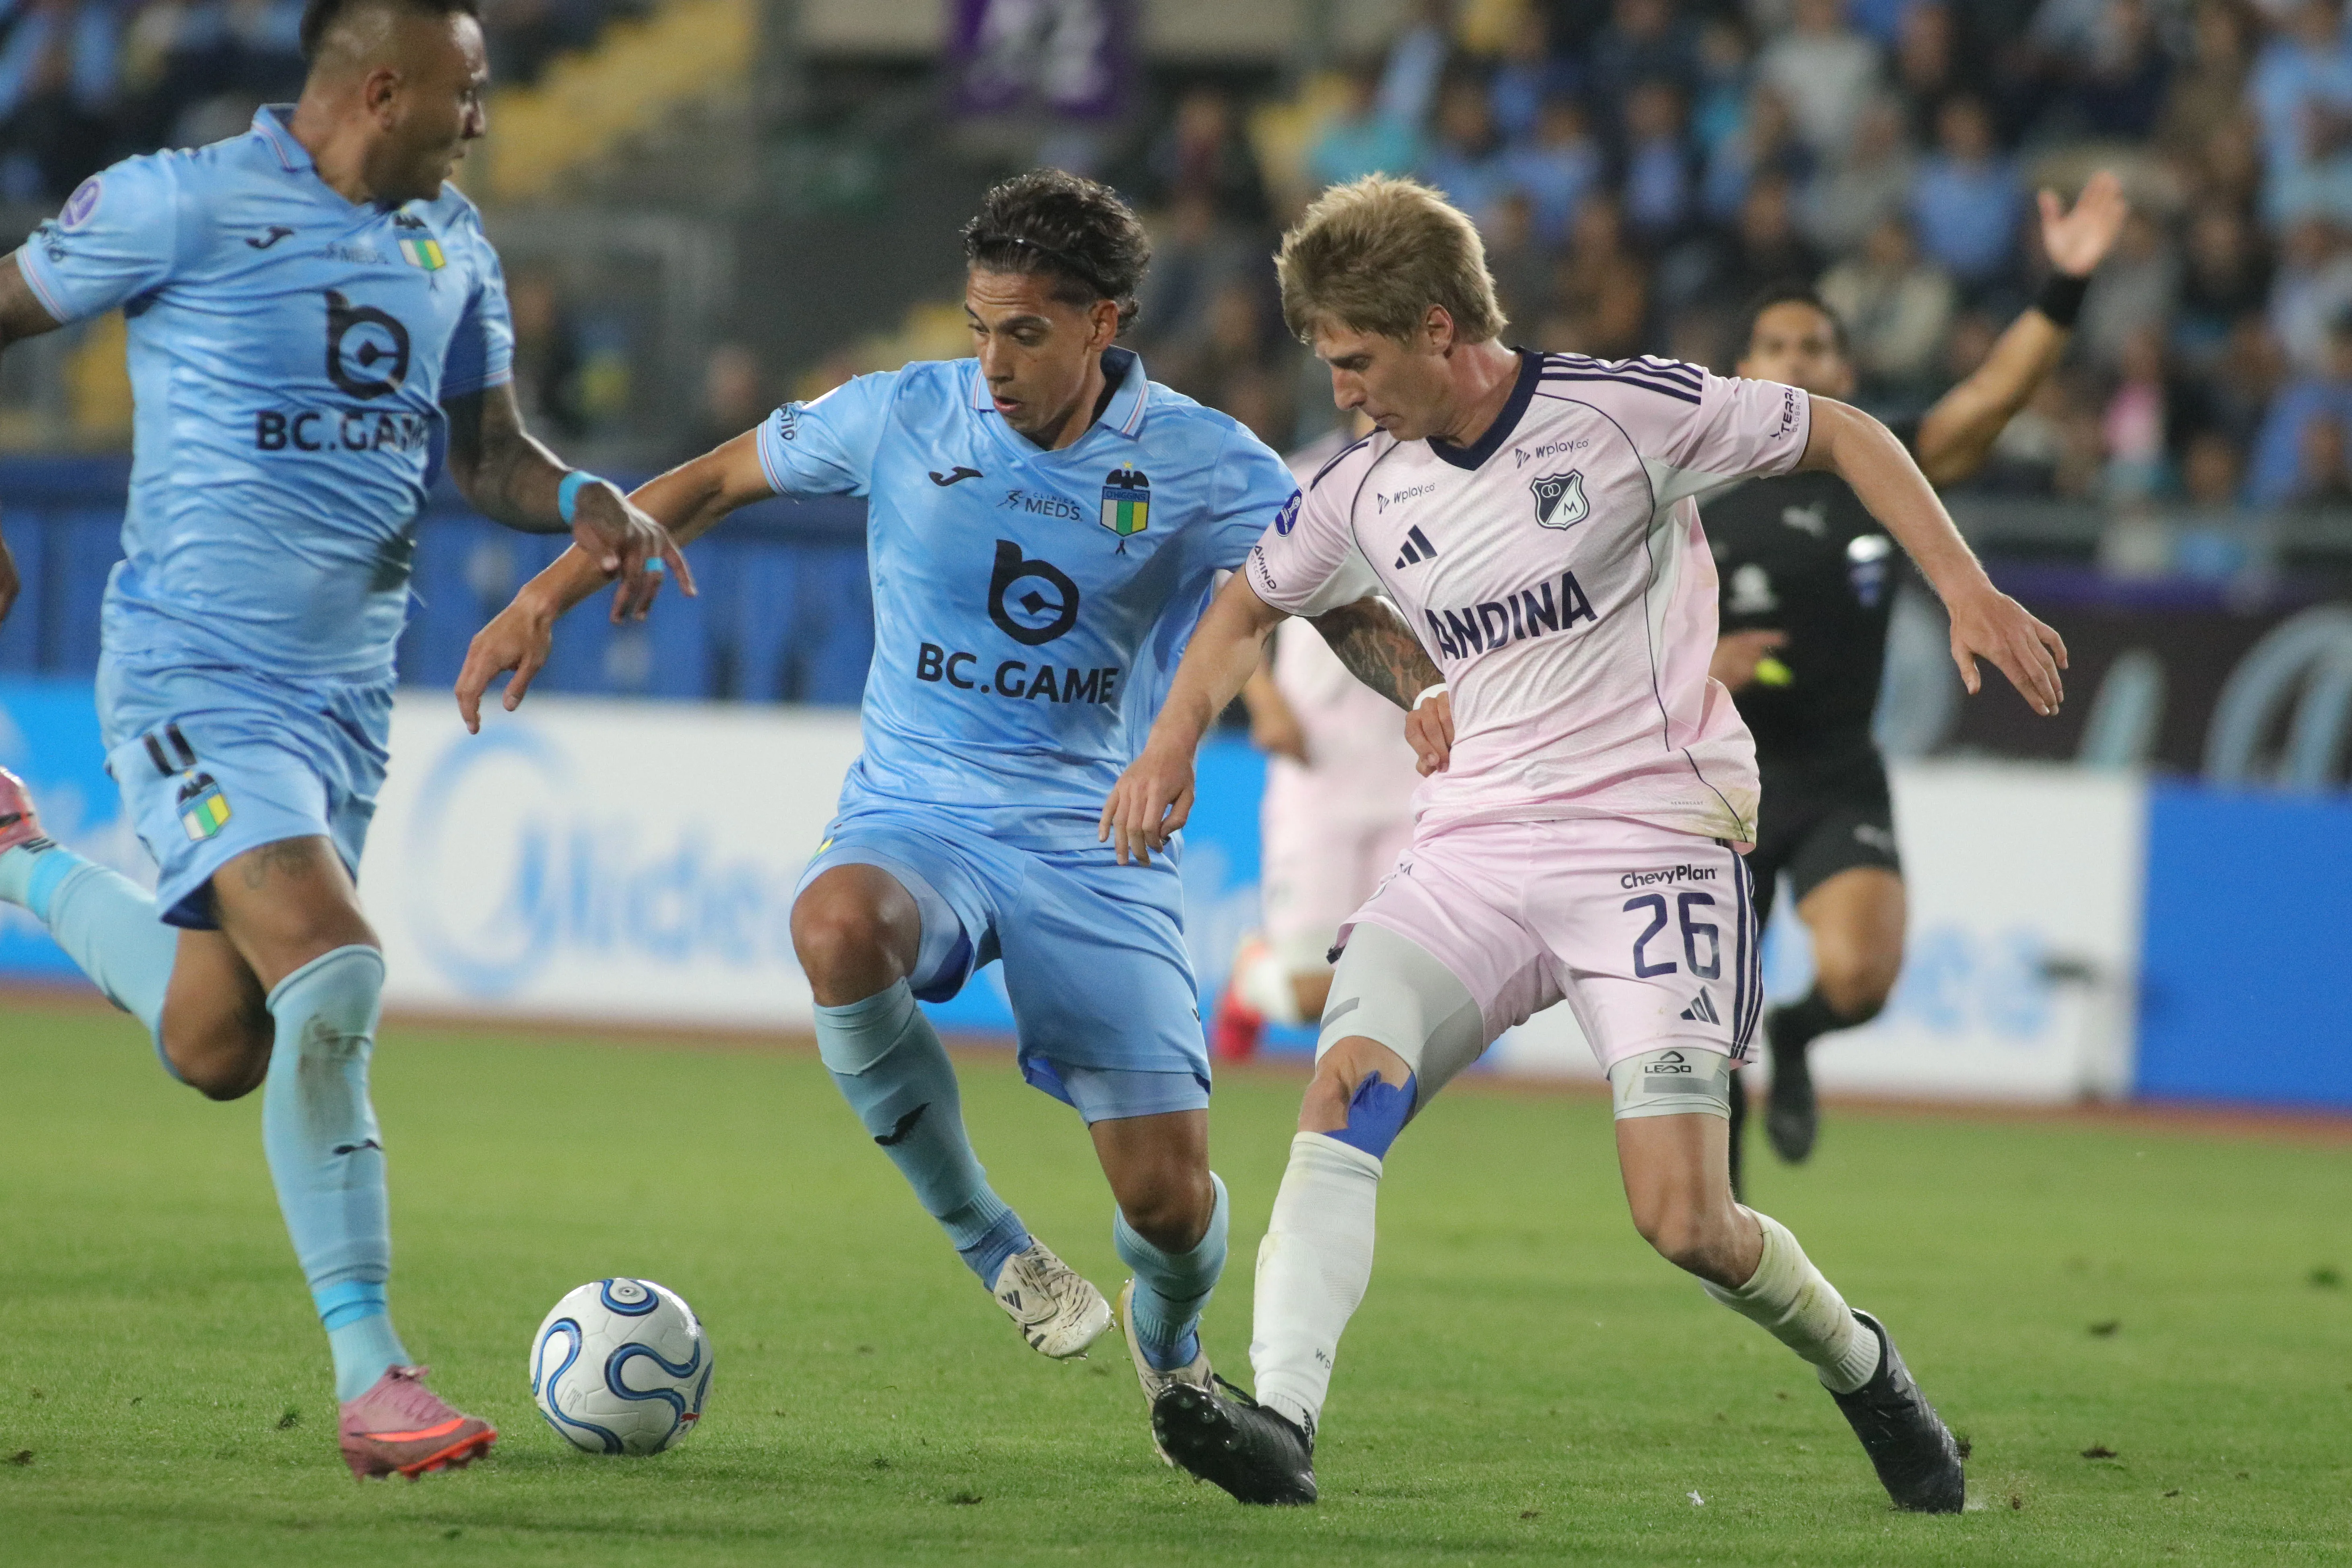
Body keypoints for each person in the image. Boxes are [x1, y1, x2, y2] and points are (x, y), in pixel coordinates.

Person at [1101, 175, 2068, 1510]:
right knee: (1345, 1090)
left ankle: (1868, 1370)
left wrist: (1966, 587)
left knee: (1686, 1220)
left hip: (1653, 843)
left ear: (1439, 328)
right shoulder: (1362, 488)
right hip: (1476, 850)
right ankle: (1284, 1418)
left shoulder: (1623, 414)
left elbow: (1844, 430)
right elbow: (1244, 608)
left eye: (1356, 360)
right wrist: (1170, 743)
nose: (1342, 391)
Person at [453, 170, 1435, 1450]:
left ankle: (1172, 1352)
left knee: (1170, 1205)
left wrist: (1437, 696)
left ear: (1103, 324)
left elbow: (1341, 604)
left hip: (1094, 836)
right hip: (917, 807)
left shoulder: (1201, 459)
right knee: (835, 925)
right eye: (979, 329)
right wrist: (542, 597)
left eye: (1025, 331)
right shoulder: (902, 414)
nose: (993, 362)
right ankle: (995, 1243)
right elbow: (708, 482)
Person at [0, 0, 686, 1479]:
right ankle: (376, 1375)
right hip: (190, 673)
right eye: (467, 90)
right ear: (383, 89)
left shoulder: (452, 246)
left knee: (219, 1041)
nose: (484, 119)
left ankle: (16, 855)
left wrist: (583, 497)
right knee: (335, 964)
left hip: (345, 706)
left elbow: (489, 455)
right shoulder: (177, 203)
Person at [1708, 170, 2127, 1188]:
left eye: (1815, 347)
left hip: (1833, 771)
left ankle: (1797, 1038)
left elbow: (1989, 400)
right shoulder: (1693, 482)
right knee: (1705, 1021)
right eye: (1778, 348)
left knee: (1860, 978)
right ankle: (1717, 1215)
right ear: (1743, 370)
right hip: (1714, 781)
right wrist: (1699, 667)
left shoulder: (1874, 467)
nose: (1797, 362)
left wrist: (2064, 283)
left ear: (1843, 367)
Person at [1213, 410, 1425, 1062]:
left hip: (1418, 767)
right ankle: (1251, 979)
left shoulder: (1464, 482)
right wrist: (1265, 703)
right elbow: (1234, 606)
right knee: (1311, 996)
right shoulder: (1299, 480)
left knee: (1401, 984)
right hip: (1319, 765)